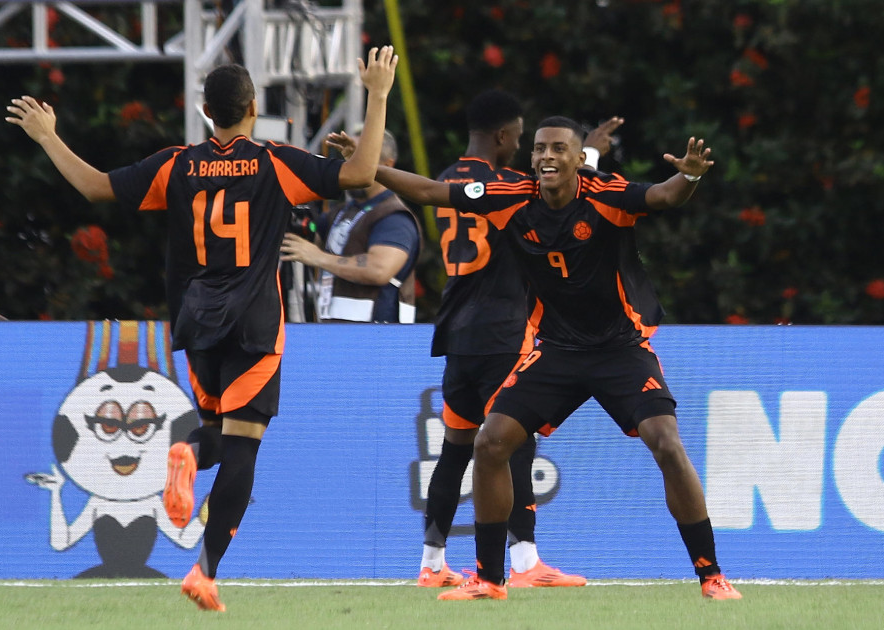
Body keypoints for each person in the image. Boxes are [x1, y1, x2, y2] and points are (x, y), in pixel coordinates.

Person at [6, 47, 398, 611]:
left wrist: (47, 136)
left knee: (216, 435)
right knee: (244, 448)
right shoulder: (274, 161)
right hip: (255, 322)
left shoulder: (176, 164)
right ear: (252, 108)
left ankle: (186, 452)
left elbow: (95, 187)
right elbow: (361, 173)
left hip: (196, 320)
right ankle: (206, 571)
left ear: (207, 111)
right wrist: (377, 93)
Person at [374, 116, 742, 601]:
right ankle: (489, 580)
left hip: (620, 348)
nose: (547, 156)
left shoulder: (606, 193)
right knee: (489, 445)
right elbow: (428, 192)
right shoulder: (511, 195)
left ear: (578, 159)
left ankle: (711, 575)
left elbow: (665, 196)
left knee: (667, 444)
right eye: (540, 148)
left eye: (559, 149)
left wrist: (690, 174)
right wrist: (371, 167)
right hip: (556, 352)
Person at [416, 90, 625, 589]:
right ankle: (526, 562)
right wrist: (589, 150)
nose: (534, 154)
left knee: (455, 448)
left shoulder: (447, 178)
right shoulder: (510, 183)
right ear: (506, 137)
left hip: (456, 333)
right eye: (524, 139)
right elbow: (565, 187)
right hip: (503, 327)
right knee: (515, 442)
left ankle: (430, 562)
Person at [280, 128, 422, 323]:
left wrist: (319, 258)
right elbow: (307, 240)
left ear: (388, 165)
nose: (353, 167)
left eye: (362, 159)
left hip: (379, 339)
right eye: (350, 159)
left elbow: (379, 270)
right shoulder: (340, 212)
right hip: (335, 332)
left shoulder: (394, 217)